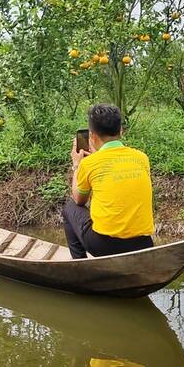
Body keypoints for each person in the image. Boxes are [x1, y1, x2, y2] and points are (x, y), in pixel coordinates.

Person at [63, 103, 154, 258]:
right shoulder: (142, 158)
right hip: (144, 243)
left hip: (105, 246)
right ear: (121, 131)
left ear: (91, 135)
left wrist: (77, 165)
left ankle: (80, 265)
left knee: (69, 208)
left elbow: (78, 200)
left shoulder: (89, 163)